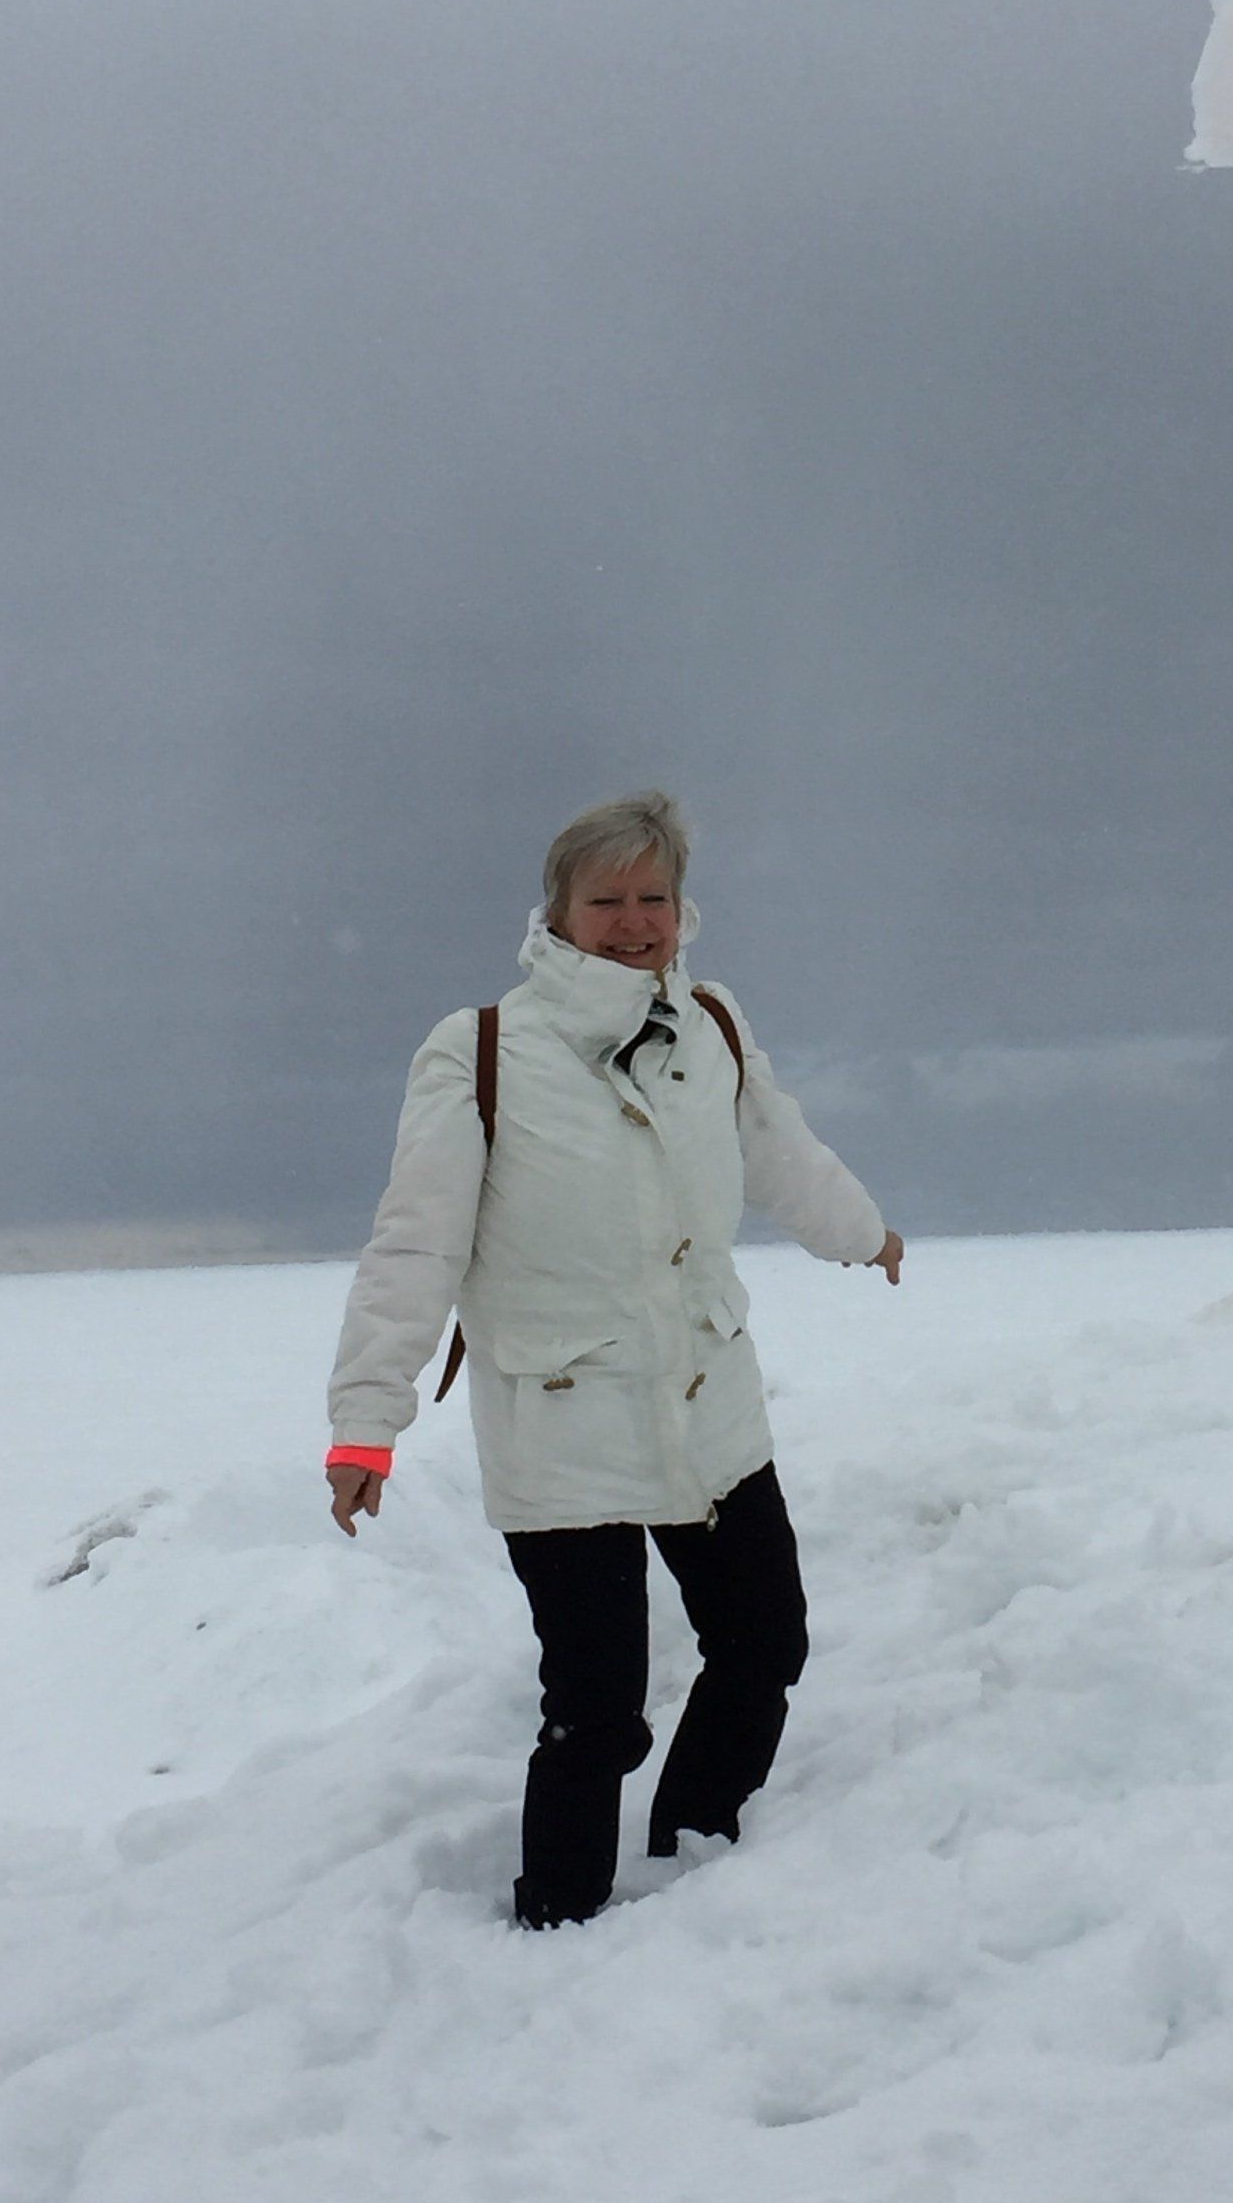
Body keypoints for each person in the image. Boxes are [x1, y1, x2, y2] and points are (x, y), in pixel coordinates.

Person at [324, 791, 902, 1929]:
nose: (634, 923)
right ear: (557, 912)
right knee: (595, 1703)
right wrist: (366, 1422)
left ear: (684, 912)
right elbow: (417, 1241)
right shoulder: (481, 1050)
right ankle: (559, 1917)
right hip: (563, 1417)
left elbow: (780, 1151)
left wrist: (862, 1230)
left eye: (654, 898)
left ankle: (694, 1857)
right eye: (608, 900)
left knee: (763, 1643)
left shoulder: (714, 1025)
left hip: (707, 1405)